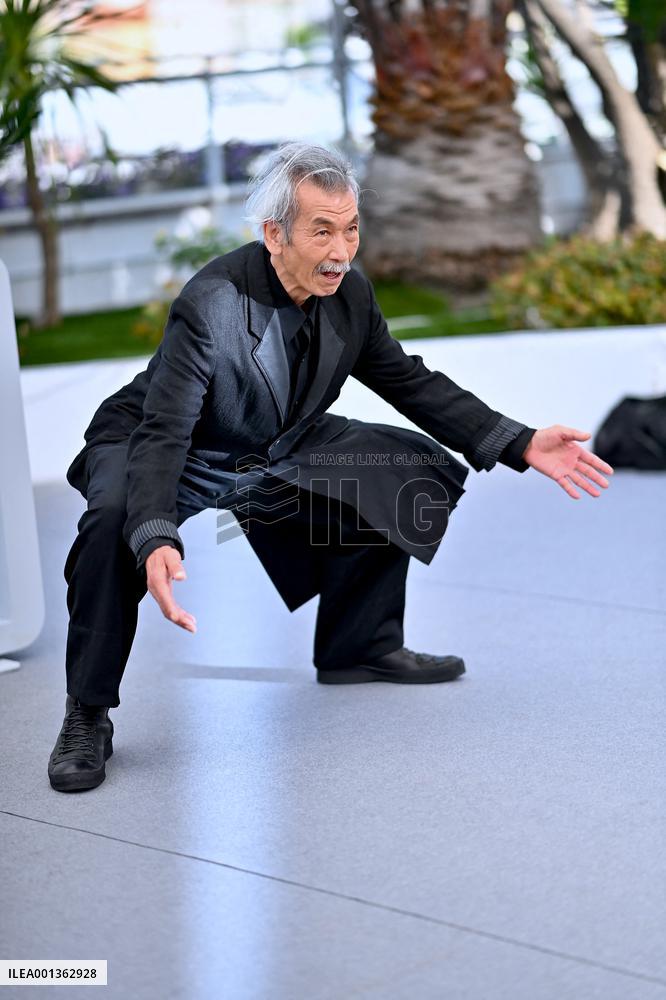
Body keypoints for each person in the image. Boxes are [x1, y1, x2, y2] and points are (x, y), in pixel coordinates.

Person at [48, 142, 613, 792]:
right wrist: (154, 533)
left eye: (350, 229)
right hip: (161, 440)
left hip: (272, 441)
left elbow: (408, 380)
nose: (341, 250)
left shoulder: (350, 295)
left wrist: (518, 440)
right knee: (117, 522)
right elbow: (165, 428)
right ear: (274, 234)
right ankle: (87, 714)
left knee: (404, 466)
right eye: (322, 231)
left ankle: (359, 644)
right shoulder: (213, 303)